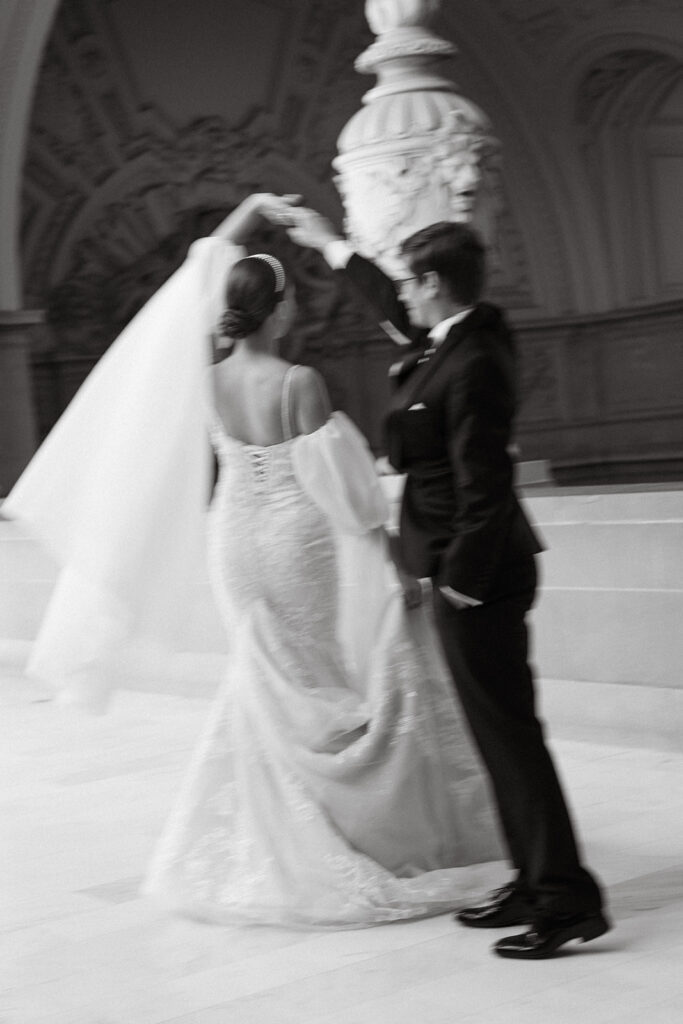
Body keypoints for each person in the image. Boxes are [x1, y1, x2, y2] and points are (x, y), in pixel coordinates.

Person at [4, 193, 504, 929]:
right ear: (274, 311)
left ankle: (261, 833)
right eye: (292, 301)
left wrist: (248, 211)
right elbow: (346, 496)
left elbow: (201, 260)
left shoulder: (202, 379)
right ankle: (332, 827)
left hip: (232, 540)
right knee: (313, 675)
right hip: (293, 539)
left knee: (262, 676)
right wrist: (397, 563)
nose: (297, 312)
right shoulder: (299, 384)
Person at [284, 208, 610, 957]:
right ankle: (532, 879)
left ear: (434, 283)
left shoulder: (474, 360)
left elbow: (486, 484)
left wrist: (459, 579)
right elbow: (392, 310)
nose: (404, 295)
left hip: (481, 579)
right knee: (496, 737)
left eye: (411, 281)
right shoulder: (452, 337)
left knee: (510, 737)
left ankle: (564, 900)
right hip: (460, 571)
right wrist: (327, 243)